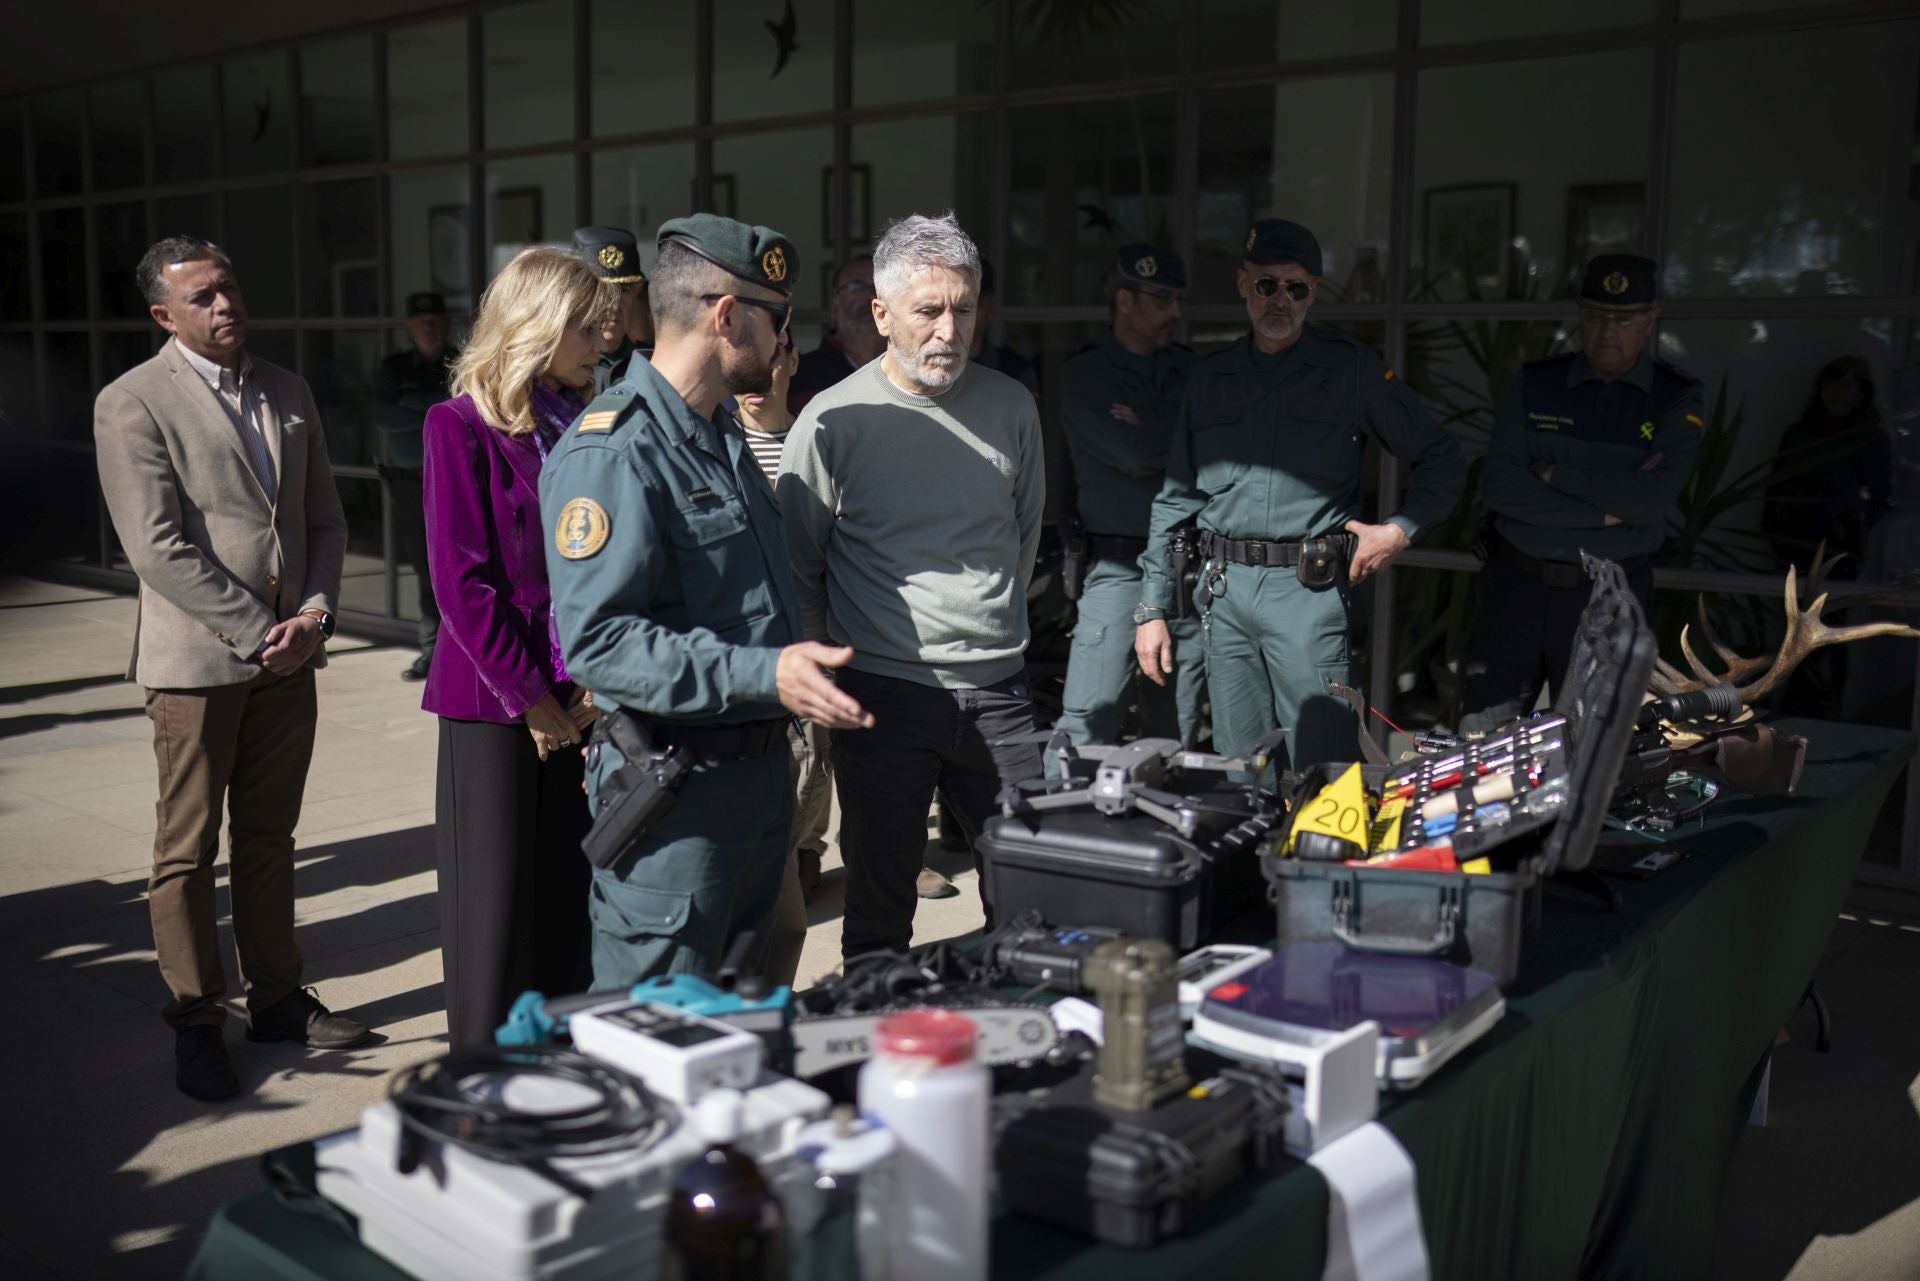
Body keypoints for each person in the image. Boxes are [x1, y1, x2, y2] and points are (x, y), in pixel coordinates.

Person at [543, 213, 871, 986]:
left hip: (757, 790)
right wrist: (767, 676)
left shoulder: (720, 432)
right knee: (658, 1046)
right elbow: (601, 644)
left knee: (746, 1038)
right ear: (728, 317)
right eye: (777, 320)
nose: (786, 341)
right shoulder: (613, 449)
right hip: (677, 801)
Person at [94, 236, 371, 1102]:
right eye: (204, 297)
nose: (226, 306)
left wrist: (316, 615)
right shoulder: (131, 402)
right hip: (197, 664)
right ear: (163, 315)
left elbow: (325, 519)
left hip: (292, 652)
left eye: (230, 289)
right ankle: (196, 1017)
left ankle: (280, 998)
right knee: (186, 849)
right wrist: (264, 631)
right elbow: (157, 548)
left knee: (270, 835)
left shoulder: (287, 390)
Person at [780, 212, 1046, 962]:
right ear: (881, 313)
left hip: (1000, 693)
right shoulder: (832, 421)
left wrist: (984, 631)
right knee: (878, 908)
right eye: (928, 310)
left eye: (963, 308)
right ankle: (873, 1054)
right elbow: (800, 567)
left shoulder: (1012, 406)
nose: (948, 329)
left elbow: (1021, 538)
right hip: (883, 699)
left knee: (1030, 897)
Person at [1135, 219, 1464, 771]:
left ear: (1314, 290)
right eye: (1267, 285)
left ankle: (1321, 858)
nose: (1280, 301)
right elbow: (1175, 498)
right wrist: (1151, 609)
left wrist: (1401, 529)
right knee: (1242, 764)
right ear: (1243, 284)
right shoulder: (1211, 377)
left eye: (1297, 288)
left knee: (1323, 762)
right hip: (1225, 592)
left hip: (1306, 595)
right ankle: (1253, 859)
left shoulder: (1350, 369)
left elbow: (1442, 457)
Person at [421, 247, 612, 1049]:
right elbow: (462, 585)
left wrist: (593, 680)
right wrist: (530, 697)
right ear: (538, 321)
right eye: (586, 322)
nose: (603, 336)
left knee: (568, 902)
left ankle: (557, 1069)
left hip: (579, 702)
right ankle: (480, 1089)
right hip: (497, 706)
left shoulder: (581, 421)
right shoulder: (457, 425)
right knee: (494, 913)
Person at [1460, 253, 1702, 731]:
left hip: (1608, 599)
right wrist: (1606, 512)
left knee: (1594, 749)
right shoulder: (1538, 383)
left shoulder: (1674, 396)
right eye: (1595, 316)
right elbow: (1501, 487)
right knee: (1482, 744)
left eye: (1623, 319)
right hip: (1516, 592)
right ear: (1580, 317)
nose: (1606, 331)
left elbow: (1653, 499)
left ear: (1650, 320)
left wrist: (1557, 476)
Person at [1054, 244, 1204, 754]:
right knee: (1087, 726)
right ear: (1125, 301)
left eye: (1177, 300)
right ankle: (1057, 829)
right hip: (1119, 571)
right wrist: (1175, 438)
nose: (1175, 313)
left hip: (1187, 571)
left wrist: (1153, 432)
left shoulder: (1189, 370)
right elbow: (1134, 453)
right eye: (1162, 300)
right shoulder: (1087, 375)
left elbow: (1211, 443)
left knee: (1174, 734)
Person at [734, 330, 829, 984]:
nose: (760, 375)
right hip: (738, 667)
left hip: (806, 653)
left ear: (793, 362)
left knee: (801, 792)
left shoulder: (817, 440)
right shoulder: (712, 442)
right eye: (751, 361)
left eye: (776, 360)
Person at [371, 291, 455, 682]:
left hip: (454, 477)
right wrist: (437, 407)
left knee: (457, 563)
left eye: (435, 319)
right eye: (422, 321)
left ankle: (458, 649)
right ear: (409, 325)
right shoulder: (393, 367)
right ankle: (431, 649)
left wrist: (412, 403)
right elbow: (382, 416)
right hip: (408, 480)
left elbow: (467, 406)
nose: (429, 326)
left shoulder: (460, 361)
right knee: (424, 566)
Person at [1764, 356, 1891, 570]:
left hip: (1842, 548)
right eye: (1831, 383)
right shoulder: (1798, 434)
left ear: (1861, 393)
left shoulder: (1870, 440)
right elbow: (1775, 485)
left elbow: (1878, 497)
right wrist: (1773, 530)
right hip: (1792, 542)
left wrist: (1859, 541)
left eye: (1847, 385)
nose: (1837, 391)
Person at [787, 255, 884, 415]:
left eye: (878, 287)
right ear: (835, 306)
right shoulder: (797, 376)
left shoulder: (911, 370)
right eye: (856, 288)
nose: (870, 297)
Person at [572, 225, 653, 392]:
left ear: (636, 292)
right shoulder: (557, 367)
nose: (614, 305)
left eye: (623, 291)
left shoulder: (652, 364)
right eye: (603, 291)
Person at [968, 257, 1040, 396]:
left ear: (991, 307)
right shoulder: (929, 367)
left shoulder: (1016, 371)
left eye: (977, 301)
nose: (965, 311)